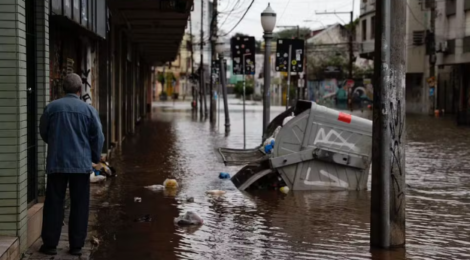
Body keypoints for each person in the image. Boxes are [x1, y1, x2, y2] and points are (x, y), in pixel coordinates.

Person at [39, 73, 104, 256]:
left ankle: (50, 244)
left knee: (54, 203)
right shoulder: (88, 110)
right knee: (79, 204)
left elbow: (44, 131)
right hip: (80, 164)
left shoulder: (52, 108)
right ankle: (76, 246)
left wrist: (55, 144)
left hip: (57, 162)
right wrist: (95, 156)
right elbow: (98, 136)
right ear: (79, 90)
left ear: (63, 89)